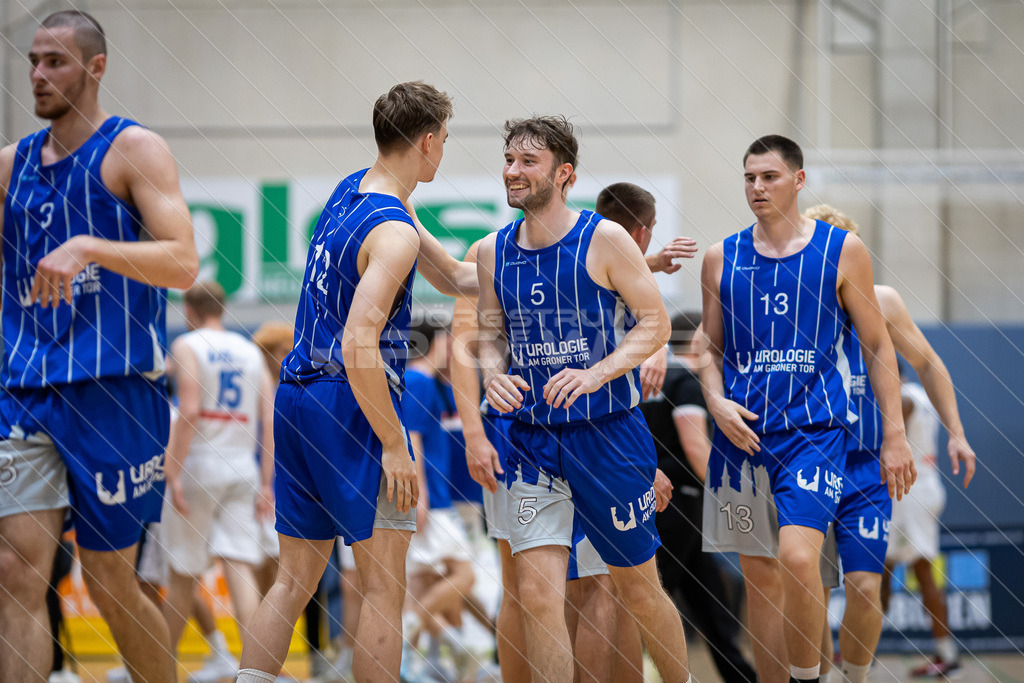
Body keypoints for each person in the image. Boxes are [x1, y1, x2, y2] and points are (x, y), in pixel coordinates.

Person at [235, 81, 477, 683]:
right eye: (444, 140)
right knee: (381, 587)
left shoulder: (352, 189)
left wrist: (556, 267)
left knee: (293, 580)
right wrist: (395, 444)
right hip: (350, 402)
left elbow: (451, 276)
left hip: (295, 397)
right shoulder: (392, 232)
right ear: (426, 142)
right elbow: (357, 344)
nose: (443, 151)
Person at [0, 11, 198, 682]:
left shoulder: (133, 150)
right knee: (14, 571)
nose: (37, 74)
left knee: (109, 577)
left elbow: (182, 263)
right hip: (25, 388)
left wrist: (88, 246)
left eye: (54, 60)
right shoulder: (11, 167)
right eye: (32, 60)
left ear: (95, 66)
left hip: (115, 390)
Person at [476, 115, 690, 683]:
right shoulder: (492, 251)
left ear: (563, 173)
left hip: (608, 437)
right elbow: (489, 335)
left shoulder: (606, 239)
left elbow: (655, 323)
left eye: (528, 162)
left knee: (638, 591)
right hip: (534, 443)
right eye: (509, 160)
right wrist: (493, 373)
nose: (513, 172)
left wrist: (599, 372)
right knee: (536, 597)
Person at [699, 135, 914, 683]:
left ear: (798, 180)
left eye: (768, 177)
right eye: (748, 177)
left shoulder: (842, 250)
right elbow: (708, 348)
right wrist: (714, 400)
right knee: (760, 581)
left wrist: (894, 435)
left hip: (813, 433)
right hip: (739, 436)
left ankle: (809, 679)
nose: (756, 187)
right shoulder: (721, 255)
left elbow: (878, 345)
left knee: (798, 560)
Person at [800, 205, 975, 681]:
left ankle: (855, 676)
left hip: (866, 467)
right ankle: (814, 674)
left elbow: (930, 363)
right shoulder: (786, 302)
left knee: (864, 584)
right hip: (803, 457)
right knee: (806, 584)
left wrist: (957, 432)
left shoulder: (881, 301)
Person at [160, 281, 275, 679]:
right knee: (240, 566)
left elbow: (189, 410)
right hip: (242, 465)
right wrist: (267, 482)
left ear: (189, 311)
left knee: (182, 575)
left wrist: (172, 470)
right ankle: (258, 672)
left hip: (200, 464)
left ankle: (156, 670)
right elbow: (270, 418)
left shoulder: (188, 345)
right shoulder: (250, 351)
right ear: (222, 308)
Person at [643, 311, 759, 683]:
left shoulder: (651, 379)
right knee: (651, 601)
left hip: (657, 501)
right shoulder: (687, 382)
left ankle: (742, 677)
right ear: (695, 341)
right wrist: (734, 499)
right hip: (679, 500)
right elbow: (695, 445)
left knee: (711, 605)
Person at [883, 371, 962, 678]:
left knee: (907, 573)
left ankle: (948, 656)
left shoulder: (906, 398)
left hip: (912, 494)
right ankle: (863, 646)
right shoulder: (921, 393)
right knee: (883, 571)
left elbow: (900, 408)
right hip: (922, 487)